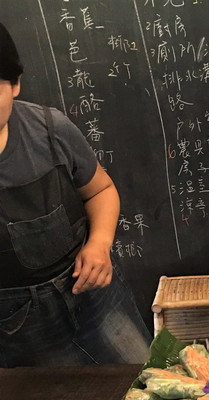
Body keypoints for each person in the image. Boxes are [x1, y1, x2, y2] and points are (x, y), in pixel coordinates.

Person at [0, 22, 152, 367]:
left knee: (143, 381)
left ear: (16, 84)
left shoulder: (50, 131)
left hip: (93, 297)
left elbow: (101, 190)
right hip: (16, 328)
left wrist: (99, 244)